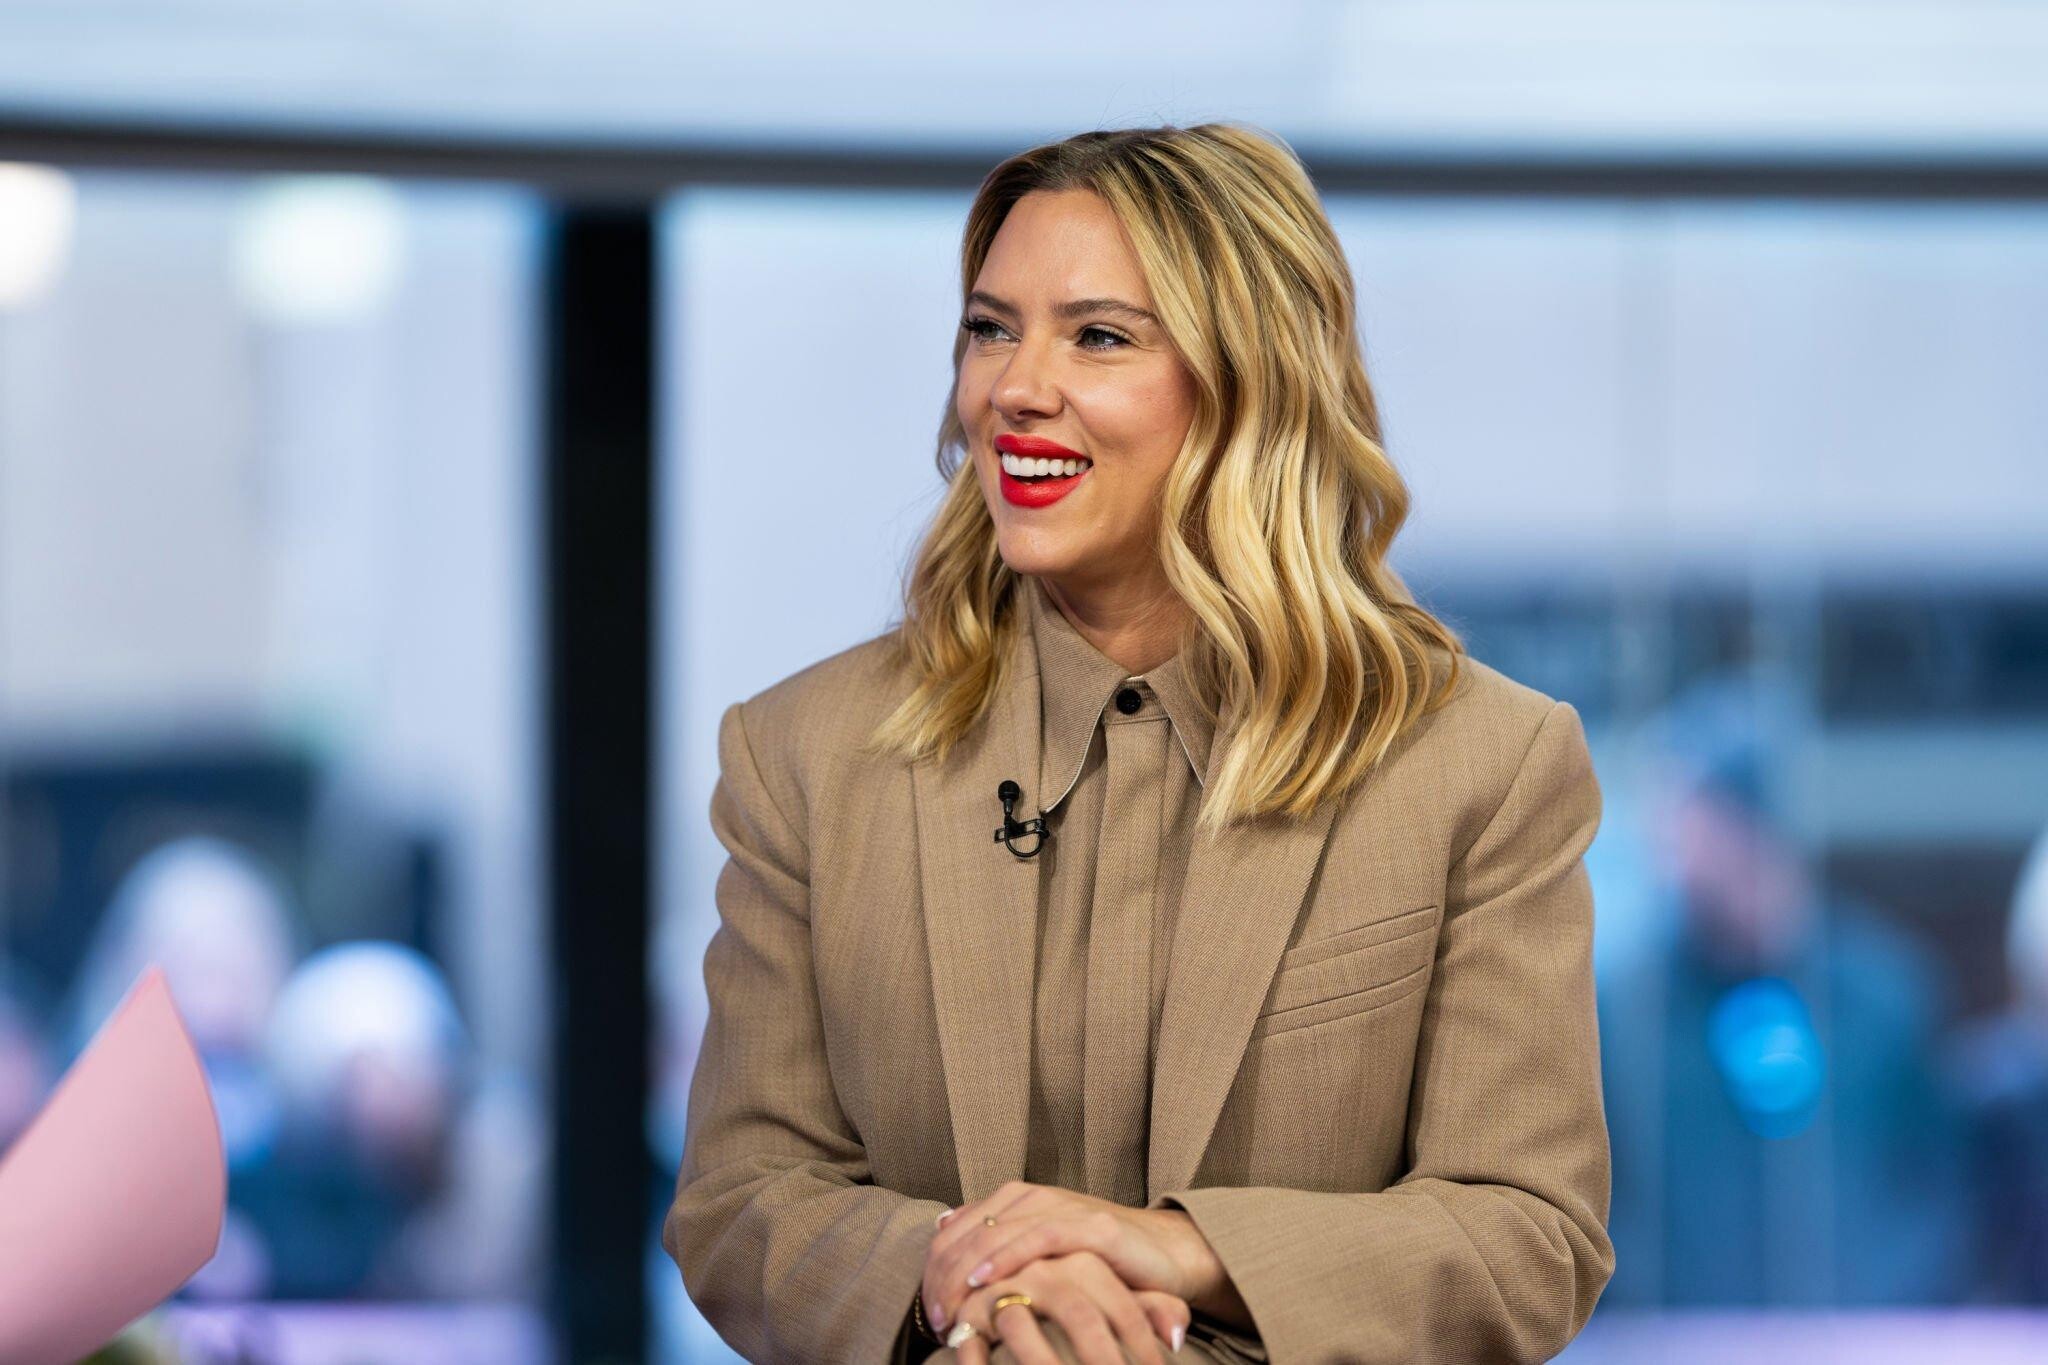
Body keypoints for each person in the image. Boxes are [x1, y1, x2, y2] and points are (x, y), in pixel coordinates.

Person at [663, 122, 1612, 1364]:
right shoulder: (802, 755)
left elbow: (1524, 1235)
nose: (1013, 387)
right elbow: (740, 1202)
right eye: (990, 328)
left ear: (1250, 381)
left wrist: (1169, 1249)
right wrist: (959, 1269)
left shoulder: (1482, 766)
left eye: (1098, 336)